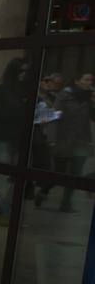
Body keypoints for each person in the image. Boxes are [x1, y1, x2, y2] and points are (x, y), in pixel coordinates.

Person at [49, 72, 93, 211]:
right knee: (59, 172)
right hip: (64, 139)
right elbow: (55, 115)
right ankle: (44, 191)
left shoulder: (90, 98)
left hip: (81, 141)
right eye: (86, 79)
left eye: (91, 80)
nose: (89, 83)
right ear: (77, 81)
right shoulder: (65, 95)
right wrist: (52, 138)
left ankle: (66, 202)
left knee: (76, 173)